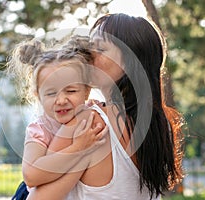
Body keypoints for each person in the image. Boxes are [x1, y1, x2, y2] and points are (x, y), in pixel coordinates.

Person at [26, 13, 185, 200]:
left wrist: (79, 151)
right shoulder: (160, 126)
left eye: (99, 49)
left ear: (129, 62)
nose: (88, 55)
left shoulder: (88, 122)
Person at [5, 37, 109, 190]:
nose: (61, 100)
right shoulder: (40, 129)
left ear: (87, 91)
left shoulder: (94, 113)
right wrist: (78, 147)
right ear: (38, 96)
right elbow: (31, 175)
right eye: (51, 93)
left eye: (71, 91)